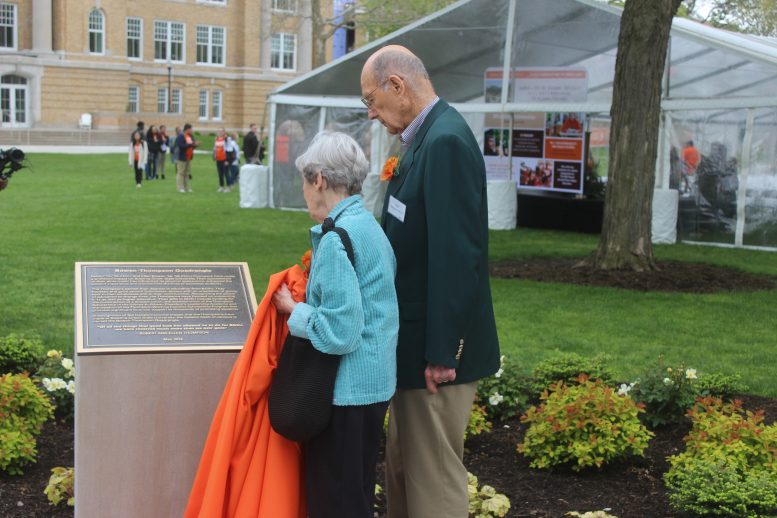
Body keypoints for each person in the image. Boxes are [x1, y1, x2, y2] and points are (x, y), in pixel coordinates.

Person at [360, 45, 500, 518]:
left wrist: (443, 353)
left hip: (435, 358)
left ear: (396, 85)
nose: (373, 114)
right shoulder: (423, 140)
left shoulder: (445, 142)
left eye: (371, 102)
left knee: (432, 483)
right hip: (414, 346)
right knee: (404, 475)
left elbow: (457, 256)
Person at [272, 131, 399, 518]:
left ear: (320, 180)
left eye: (305, 182)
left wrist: (293, 309)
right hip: (373, 386)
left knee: (335, 502)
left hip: (346, 392)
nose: (305, 192)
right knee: (355, 494)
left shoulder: (336, 238)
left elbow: (341, 331)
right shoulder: (368, 226)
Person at [175, 123, 199, 193]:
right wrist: (191, 144)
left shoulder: (190, 136)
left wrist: (195, 145)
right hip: (182, 157)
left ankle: (187, 187)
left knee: (187, 173)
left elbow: (192, 145)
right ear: (187, 129)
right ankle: (180, 187)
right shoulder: (181, 136)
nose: (192, 130)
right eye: (191, 129)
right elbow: (181, 146)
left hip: (189, 157)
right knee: (181, 172)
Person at [213, 128, 230, 192]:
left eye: (221, 131)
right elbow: (215, 148)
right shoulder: (216, 139)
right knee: (220, 173)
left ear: (224, 132)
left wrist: (227, 160)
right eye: (218, 131)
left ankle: (228, 187)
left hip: (225, 159)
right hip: (218, 159)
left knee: (226, 173)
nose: (220, 132)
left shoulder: (227, 139)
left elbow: (229, 149)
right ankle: (221, 186)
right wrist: (214, 156)